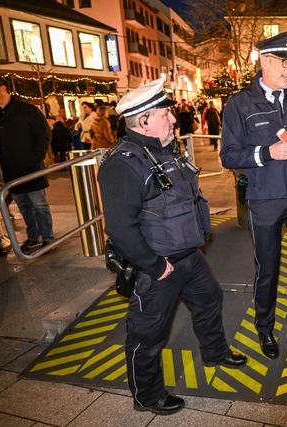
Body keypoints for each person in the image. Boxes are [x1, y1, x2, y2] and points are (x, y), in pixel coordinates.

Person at [97, 77, 247, 416]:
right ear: (146, 120)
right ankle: (147, 396)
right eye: (166, 113)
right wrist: (154, 265)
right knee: (147, 334)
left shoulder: (164, 150)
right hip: (158, 267)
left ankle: (215, 352)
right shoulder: (123, 164)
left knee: (209, 299)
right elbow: (120, 228)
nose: (174, 119)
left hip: (188, 257)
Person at [220, 31, 287, 360]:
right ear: (265, 61)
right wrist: (267, 152)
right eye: (285, 62)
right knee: (269, 268)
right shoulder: (240, 104)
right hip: (265, 199)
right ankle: (264, 327)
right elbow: (229, 155)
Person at [0, 75, 55, 253]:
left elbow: (44, 134)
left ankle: (47, 238)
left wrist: (35, 158)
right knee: (23, 206)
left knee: (39, 205)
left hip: (31, 168)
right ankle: (33, 236)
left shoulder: (27, 110)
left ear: (2, 89)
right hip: (9, 170)